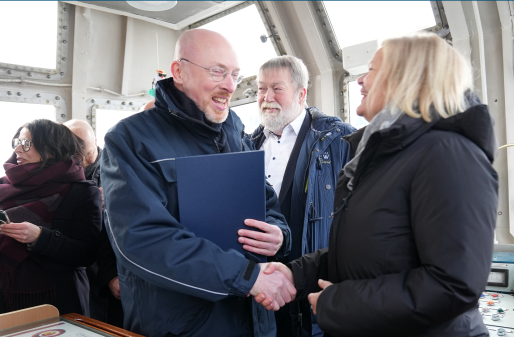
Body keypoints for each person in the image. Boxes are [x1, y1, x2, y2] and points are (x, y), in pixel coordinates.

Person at [258, 33, 499, 336]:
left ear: (406, 79)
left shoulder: (449, 154)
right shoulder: (383, 156)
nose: (359, 80)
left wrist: (339, 303)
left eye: (371, 71)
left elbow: (452, 285)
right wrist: (295, 273)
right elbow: (364, 252)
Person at [100, 28, 295, 337]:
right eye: (217, 72)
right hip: (184, 325)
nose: (230, 86)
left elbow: (268, 205)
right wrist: (245, 276)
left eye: (235, 74)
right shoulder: (130, 140)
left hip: (254, 320)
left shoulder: (237, 136)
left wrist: (279, 235)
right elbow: (142, 240)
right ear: (179, 71)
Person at [248, 56, 355, 337]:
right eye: (261, 89)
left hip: (311, 289)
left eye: (277, 88)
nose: (267, 97)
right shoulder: (245, 145)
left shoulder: (341, 140)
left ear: (301, 93)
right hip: (258, 290)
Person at [0, 119, 102, 315]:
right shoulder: (4, 186)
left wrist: (40, 237)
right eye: (17, 143)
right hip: (4, 293)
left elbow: (86, 253)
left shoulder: (81, 192)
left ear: (51, 149)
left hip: (54, 298)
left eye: (27, 144)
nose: (18, 150)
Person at [64, 119, 123, 327]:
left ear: (95, 141)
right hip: (76, 263)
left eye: (86, 151)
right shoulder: (62, 175)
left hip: (106, 264)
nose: (81, 158)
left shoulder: (116, 167)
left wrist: (112, 202)